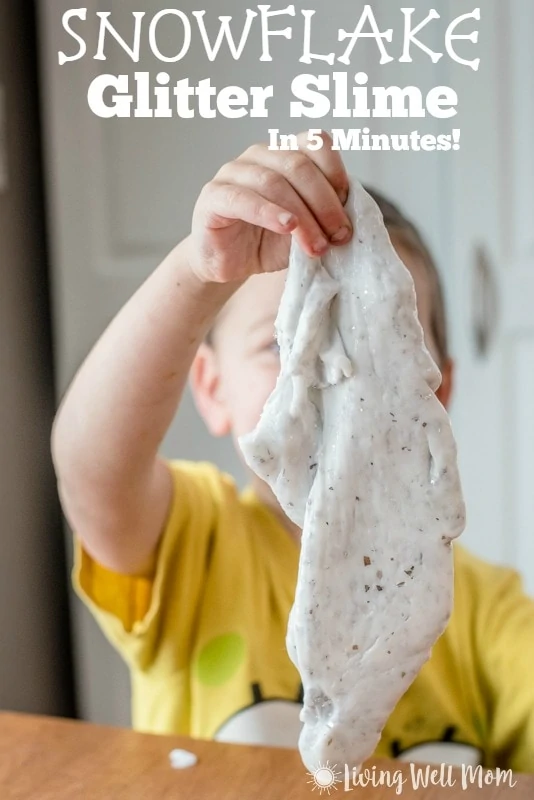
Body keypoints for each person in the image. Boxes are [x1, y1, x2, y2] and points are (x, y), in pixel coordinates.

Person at [52, 132, 534, 771]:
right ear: (213, 387)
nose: (329, 377)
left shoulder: (483, 610)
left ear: (436, 394)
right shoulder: (193, 547)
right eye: (281, 344)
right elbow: (90, 469)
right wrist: (199, 273)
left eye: (380, 348)